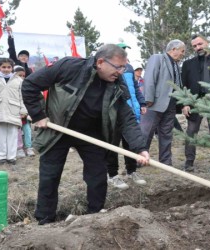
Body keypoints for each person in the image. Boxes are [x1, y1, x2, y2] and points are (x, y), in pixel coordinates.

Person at [21, 44, 150, 224]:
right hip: (58, 129)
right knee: (50, 174)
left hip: (92, 133)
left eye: (123, 67)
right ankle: (45, 218)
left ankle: (94, 216)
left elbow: (127, 118)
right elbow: (30, 84)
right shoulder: (69, 67)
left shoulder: (117, 85)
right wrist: (38, 115)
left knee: (97, 174)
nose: (121, 72)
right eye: (118, 67)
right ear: (100, 62)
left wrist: (140, 148)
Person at [181, 34, 210, 174]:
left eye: (200, 44)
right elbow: (183, 86)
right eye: (194, 46)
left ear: (207, 42)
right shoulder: (188, 64)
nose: (197, 48)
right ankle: (189, 163)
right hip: (195, 102)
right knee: (191, 133)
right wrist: (185, 103)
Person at [106, 43, 147, 190]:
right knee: (112, 145)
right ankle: (112, 175)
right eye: (121, 50)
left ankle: (132, 171)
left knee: (130, 144)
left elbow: (135, 88)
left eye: (125, 51)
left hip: (130, 111)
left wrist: (141, 103)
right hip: (114, 114)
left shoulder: (129, 68)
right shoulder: (112, 69)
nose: (124, 53)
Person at [140, 39, 186, 166]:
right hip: (154, 103)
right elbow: (149, 78)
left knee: (166, 134)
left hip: (170, 105)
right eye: (182, 51)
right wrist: (148, 99)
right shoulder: (158, 58)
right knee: (146, 132)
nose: (183, 54)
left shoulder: (176, 65)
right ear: (173, 49)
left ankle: (165, 161)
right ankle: (139, 159)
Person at [0, 58, 27, 165]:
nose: (6, 69)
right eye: (3, 67)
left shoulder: (19, 81)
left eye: (9, 67)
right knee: (1, 135)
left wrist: (23, 109)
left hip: (14, 110)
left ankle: (11, 157)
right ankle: (1, 156)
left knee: (13, 135)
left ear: (12, 68)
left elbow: (23, 97)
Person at [13, 66, 35, 157]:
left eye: (23, 75)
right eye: (19, 75)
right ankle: (19, 148)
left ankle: (29, 147)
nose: (22, 77)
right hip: (15, 113)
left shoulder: (26, 86)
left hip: (25, 114)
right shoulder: (12, 86)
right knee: (17, 132)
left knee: (27, 130)